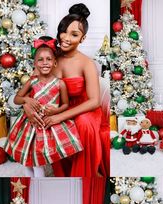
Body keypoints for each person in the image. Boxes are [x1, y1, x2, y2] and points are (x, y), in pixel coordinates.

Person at [23, 3, 108, 177]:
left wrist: (59, 117)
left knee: (83, 123)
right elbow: (31, 89)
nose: (66, 38)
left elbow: (94, 101)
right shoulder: (49, 59)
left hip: (85, 109)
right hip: (60, 106)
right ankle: (51, 171)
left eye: (74, 34)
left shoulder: (86, 63)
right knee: (41, 121)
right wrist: (27, 106)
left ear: (82, 38)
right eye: (64, 31)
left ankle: (82, 174)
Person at [5, 36, 83, 178]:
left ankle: (39, 181)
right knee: (28, 162)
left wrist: (56, 111)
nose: (44, 63)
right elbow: (17, 99)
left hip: (47, 124)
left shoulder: (60, 84)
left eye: (48, 59)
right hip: (31, 124)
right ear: (34, 64)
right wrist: (27, 100)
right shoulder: (32, 81)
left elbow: (65, 104)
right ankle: (31, 178)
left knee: (37, 162)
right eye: (40, 60)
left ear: (54, 63)